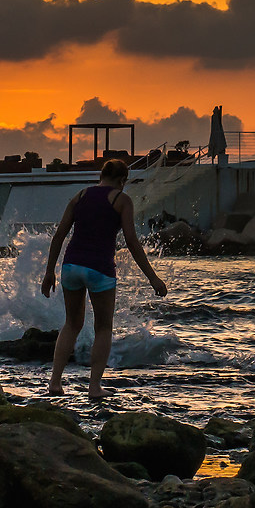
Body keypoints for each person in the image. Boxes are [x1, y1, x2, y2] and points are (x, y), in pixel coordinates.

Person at [41, 158, 168, 403]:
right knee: (103, 328)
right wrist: (153, 278)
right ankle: (94, 387)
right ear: (122, 180)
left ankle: (55, 382)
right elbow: (131, 241)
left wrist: (49, 272)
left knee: (71, 324)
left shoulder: (80, 196)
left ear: (101, 176)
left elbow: (59, 235)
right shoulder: (122, 200)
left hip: (71, 266)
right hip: (99, 269)